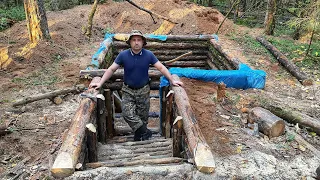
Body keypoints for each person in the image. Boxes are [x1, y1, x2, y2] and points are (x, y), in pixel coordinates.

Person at [89, 30, 183, 141]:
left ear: (143, 42)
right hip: (128, 90)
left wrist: (172, 80)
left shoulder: (149, 55)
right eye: (134, 40)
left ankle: (139, 137)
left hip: (143, 90)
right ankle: (145, 132)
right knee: (127, 114)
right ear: (130, 42)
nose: (136, 42)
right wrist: (100, 83)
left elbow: (161, 68)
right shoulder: (123, 55)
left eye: (139, 40)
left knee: (143, 117)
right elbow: (111, 69)